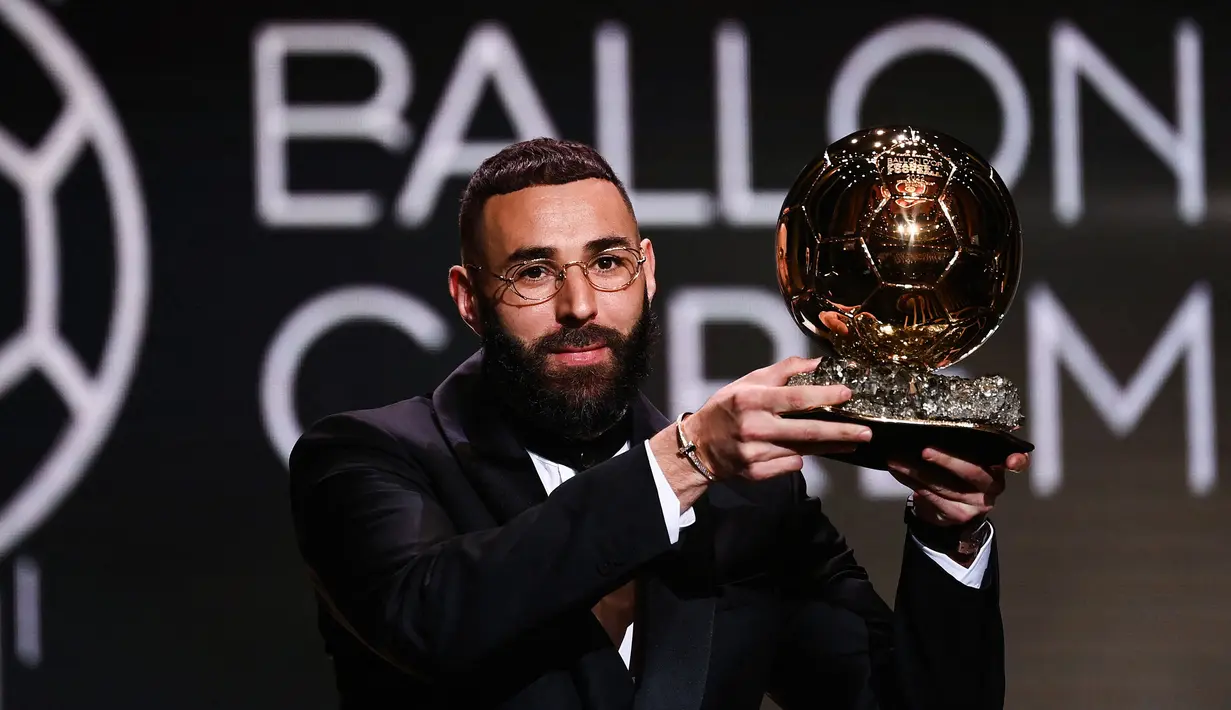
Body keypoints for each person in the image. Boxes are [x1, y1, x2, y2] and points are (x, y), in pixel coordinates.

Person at [287, 137, 1030, 710]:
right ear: (468, 297)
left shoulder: (752, 505)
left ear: (646, 271)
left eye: (606, 263)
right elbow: (434, 622)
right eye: (533, 272)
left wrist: (946, 534)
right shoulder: (367, 457)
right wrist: (687, 458)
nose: (579, 306)